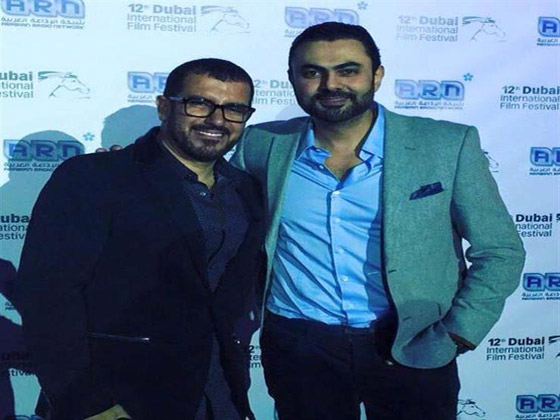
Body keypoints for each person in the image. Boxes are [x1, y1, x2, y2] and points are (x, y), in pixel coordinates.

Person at [231, 22, 525, 420]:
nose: (330, 84)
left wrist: (459, 331)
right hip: (299, 344)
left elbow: (500, 250)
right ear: (292, 79)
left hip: (413, 341)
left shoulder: (446, 145)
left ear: (377, 75)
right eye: (312, 72)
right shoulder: (260, 144)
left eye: (348, 70)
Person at [15, 58, 264, 420]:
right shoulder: (95, 178)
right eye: (199, 104)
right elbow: (48, 296)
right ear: (164, 107)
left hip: (220, 393)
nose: (216, 120)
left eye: (234, 109)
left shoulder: (246, 189)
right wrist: (86, 402)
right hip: (120, 397)